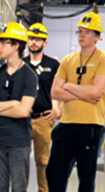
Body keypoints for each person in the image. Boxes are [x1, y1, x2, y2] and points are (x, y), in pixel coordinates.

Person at [46, 12, 105, 192]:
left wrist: (68, 86)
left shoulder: (102, 59)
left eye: (87, 32)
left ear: (97, 37)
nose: (81, 35)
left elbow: (95, 92)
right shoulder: (68, 60)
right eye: (80, 31)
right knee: (54, 171)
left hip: (91, 125)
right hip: (67, 123)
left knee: (86, 177)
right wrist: (82, 92)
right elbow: (55, 92)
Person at [0, 22, 38, 192]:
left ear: (16, 45)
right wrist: (13, 103)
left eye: (3, 42)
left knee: (19, 187)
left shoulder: (29, 76)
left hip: (19, 141)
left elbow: (23, 111)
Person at [22, 23, 60, 192]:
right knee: (19, 158)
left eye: (38, 39)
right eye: (31, 39)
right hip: (22, 120)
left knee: (43, 161)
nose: (34, 42)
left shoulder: (53, 65)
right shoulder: (20, 64)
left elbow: (60, 89)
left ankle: (43, 190)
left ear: (45, 42)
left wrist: (57, 108)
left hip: (43, 119)